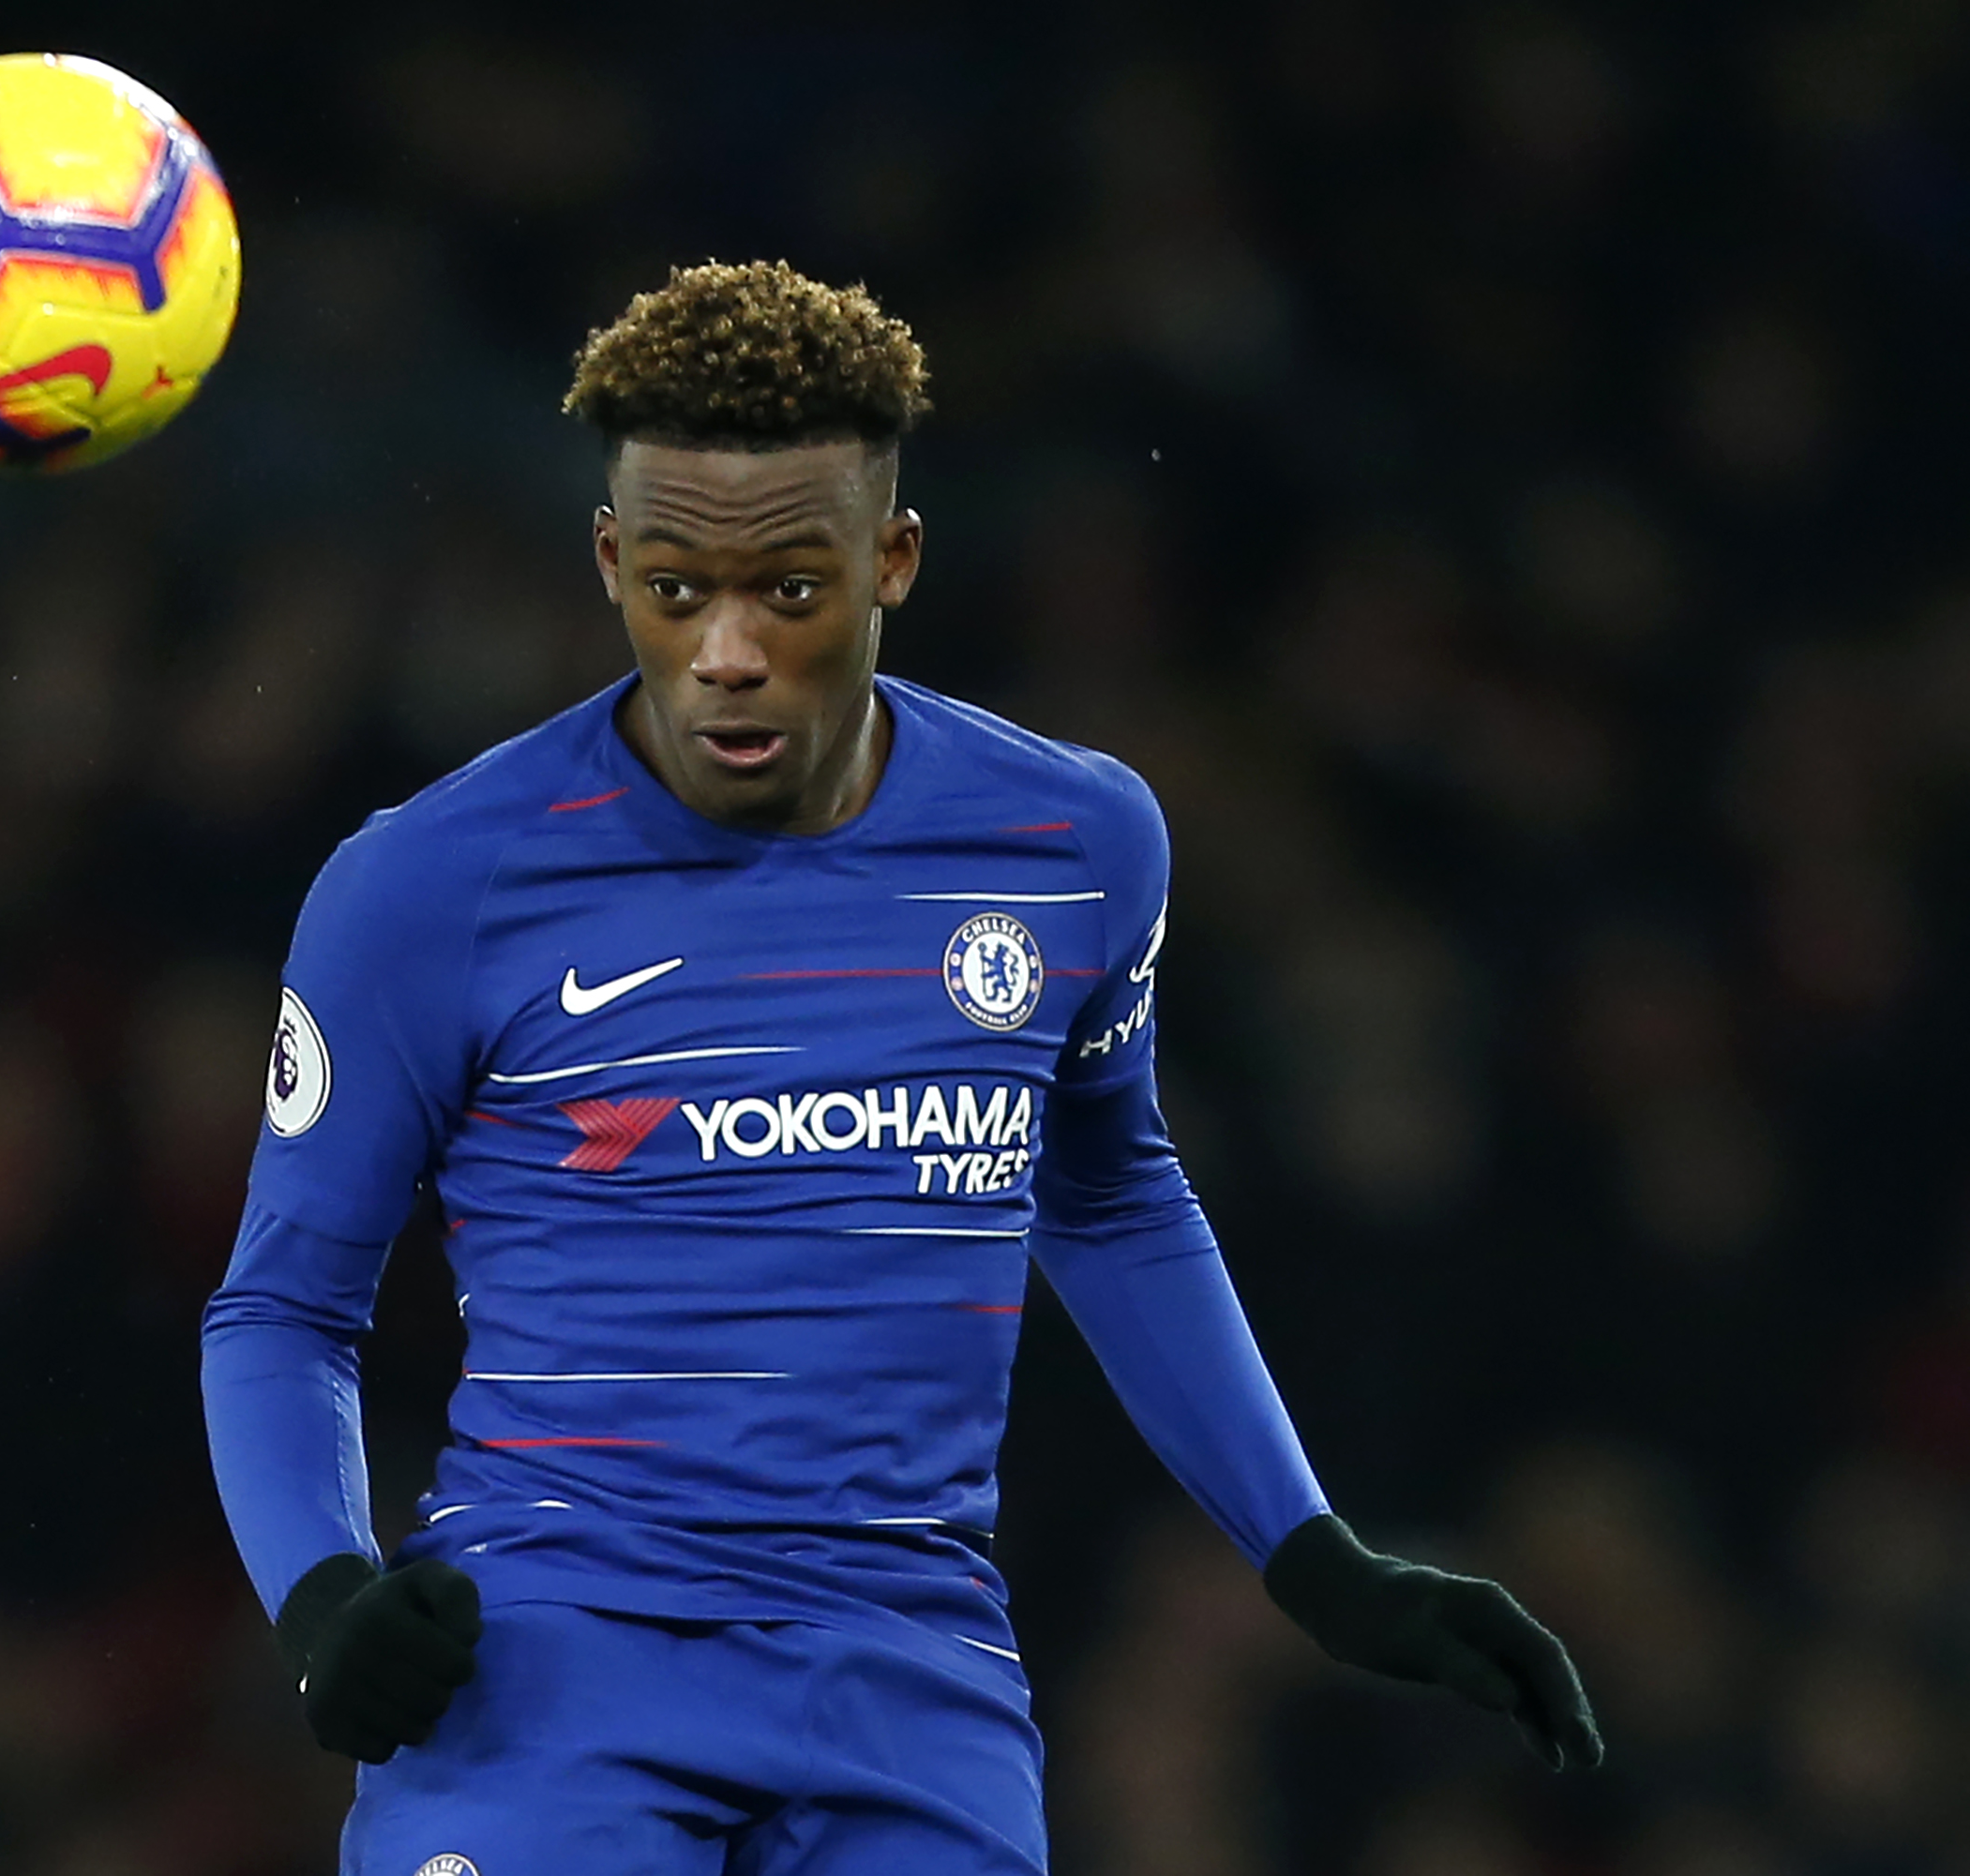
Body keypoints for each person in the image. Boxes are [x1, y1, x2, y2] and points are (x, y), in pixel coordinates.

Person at [200, 260, 1599, 1874]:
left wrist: (1314, 1555)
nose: (723, 650)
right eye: (671, 586)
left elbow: (1113, 1193)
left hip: (907, 1673)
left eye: (787, 589)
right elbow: (283, 1303)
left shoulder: (1074, 843)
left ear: (894, 559)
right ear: (609, 562)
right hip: (547, 1665)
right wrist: (325, 1600)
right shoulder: (429, 885)